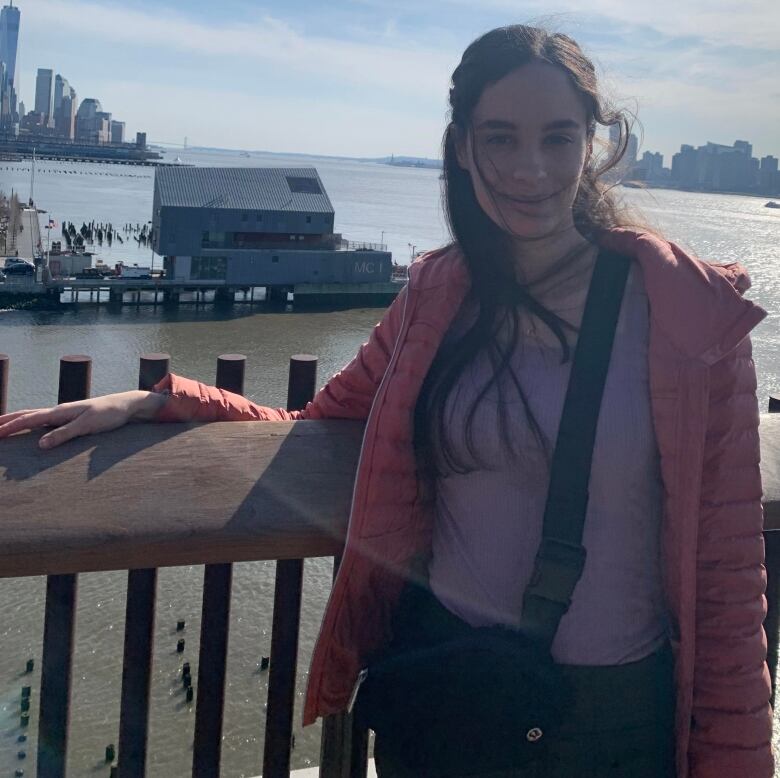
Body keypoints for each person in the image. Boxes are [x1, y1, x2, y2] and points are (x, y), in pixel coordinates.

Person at [0, 24, 772, 778]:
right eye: (500, 138)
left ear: (592, 146)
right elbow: (324, 423)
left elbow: (730, 588)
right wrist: (159, 402)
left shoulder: (688, 314)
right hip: (450, 691)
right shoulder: (440, 293)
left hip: (613, 716)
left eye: (557, 138)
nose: (530, 167)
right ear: (463, 147)